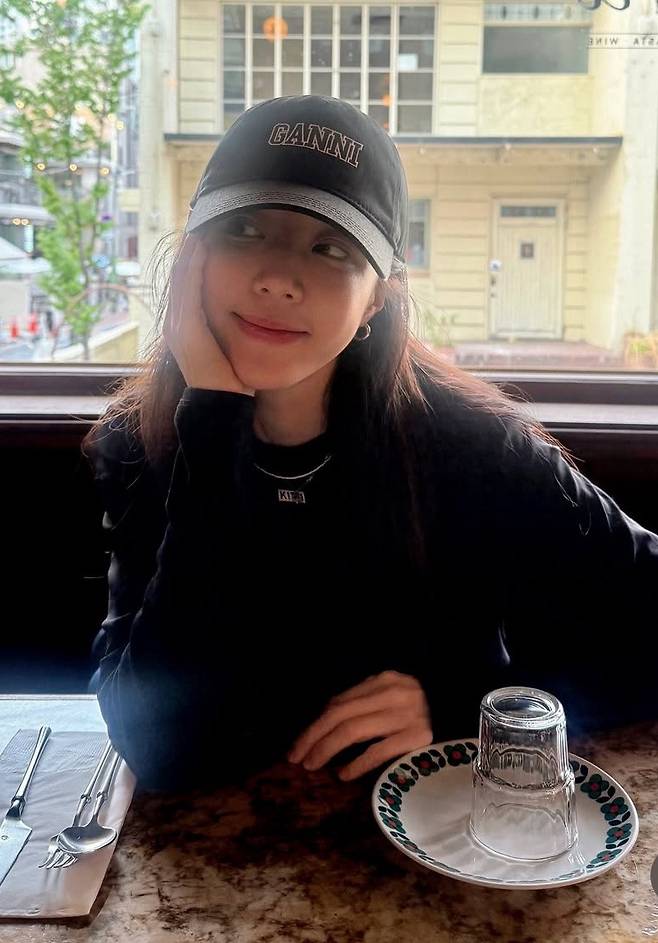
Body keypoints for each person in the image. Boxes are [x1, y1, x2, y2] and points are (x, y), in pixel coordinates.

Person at [82, 95, 658, 793]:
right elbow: (156, 748)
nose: (277, 279)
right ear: (190, 261)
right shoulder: (139, 442)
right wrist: (213, 424)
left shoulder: (475, 446)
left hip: (439, 830)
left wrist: (469, 702)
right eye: (245, 229)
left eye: (330, 247)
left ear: (377, 299)